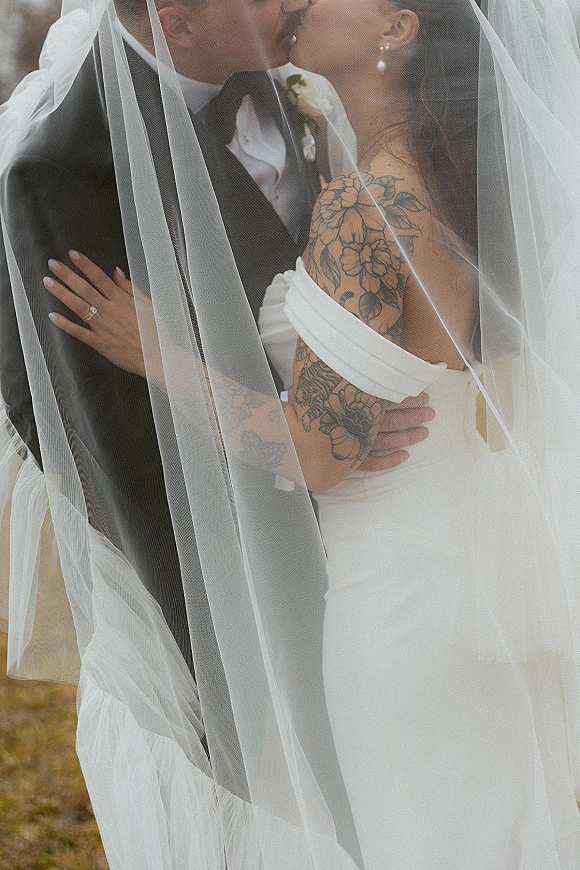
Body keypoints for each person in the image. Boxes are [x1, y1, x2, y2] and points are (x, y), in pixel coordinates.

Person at [41, 0, 580, 866]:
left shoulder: (368, 205)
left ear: (394, 31)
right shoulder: (438, 173)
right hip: (467, 572)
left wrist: (161, 355)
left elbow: (315, 454)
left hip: (399, 598)